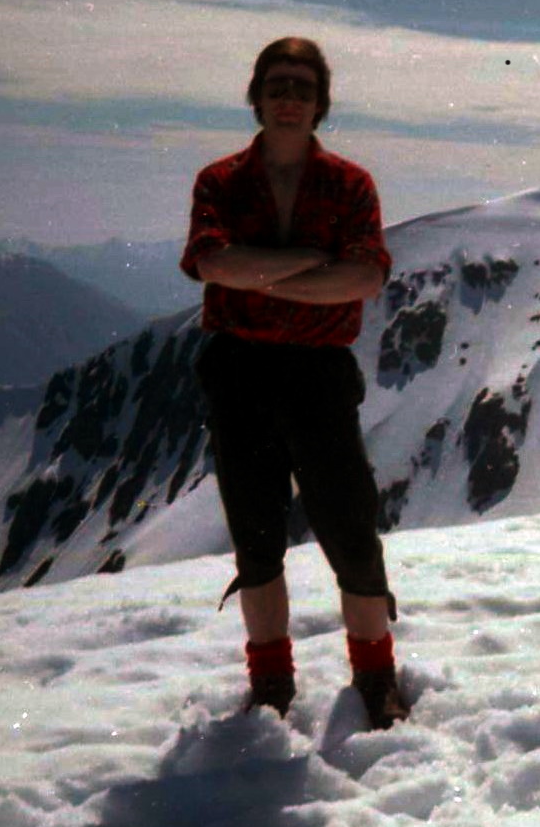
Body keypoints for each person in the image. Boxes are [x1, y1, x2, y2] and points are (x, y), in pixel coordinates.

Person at [179, 37, 408, 729]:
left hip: (316, 378)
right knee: (256, 539)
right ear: (257, 96)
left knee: (351, 532)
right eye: (278, 85)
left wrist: (262, 270)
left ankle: (375, 677)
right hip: (242, 374)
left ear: (319, 105)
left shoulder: (351, 184)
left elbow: (366, 276)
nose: (289, 99)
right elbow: (210, 262)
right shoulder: (219, 181)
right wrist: (313, 264)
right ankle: (273, 684)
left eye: (302, 89)